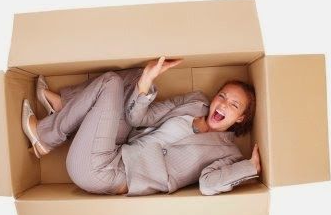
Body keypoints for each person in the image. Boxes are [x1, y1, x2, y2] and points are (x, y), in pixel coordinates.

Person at [21, 56, 261, 196]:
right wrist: (147, 80)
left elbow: (209, 185)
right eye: (222, 96)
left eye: (234, 105)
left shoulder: (228, 153)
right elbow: (138, 119)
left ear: (241, 117)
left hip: (106, 172)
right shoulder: (196, 102)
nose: (222, 104)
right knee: (137, 76)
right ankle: (65, 104)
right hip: (121, 144)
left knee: (110, 82)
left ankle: (44, 136)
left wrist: (250, 167)